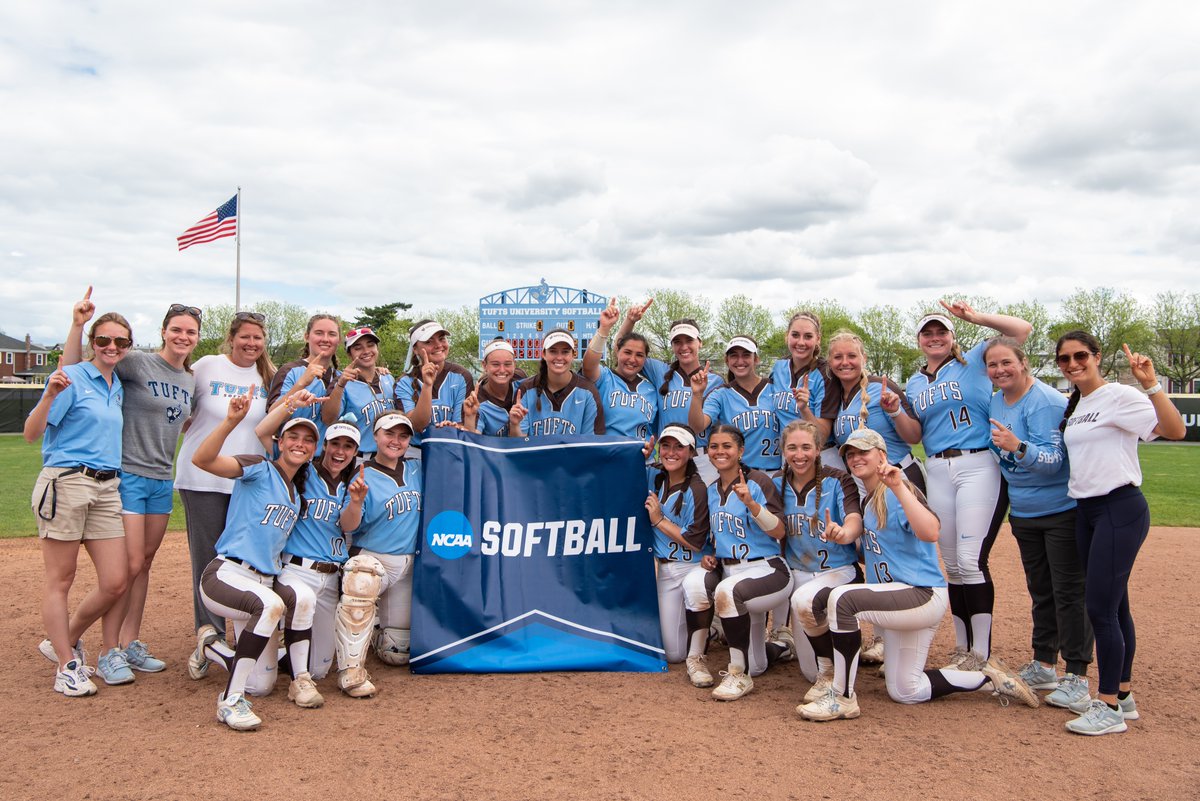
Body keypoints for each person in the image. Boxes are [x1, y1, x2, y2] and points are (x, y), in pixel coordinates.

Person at [792, 428, 1038, 721]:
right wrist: (840, 535)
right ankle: (987, 678)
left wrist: (898, 487)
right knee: (906, 690)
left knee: (842, 601)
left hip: (920, 595)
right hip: (899, 601)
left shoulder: (898, 490)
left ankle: (842, 696)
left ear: (882, 455)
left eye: (863, 452)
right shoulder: (869, 500)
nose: (856, 458)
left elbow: (931, 531)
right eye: (851, 454)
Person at [1055, 333, 1186, 735]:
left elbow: (1175, 430)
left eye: (1081, 356)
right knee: (1116, 606)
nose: (1073, 363)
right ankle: (1124, 697)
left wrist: (1150, 384)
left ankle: (1108, 706)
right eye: (1065, 358)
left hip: (1119, 507)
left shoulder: (1120, 396)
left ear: (1096, 357)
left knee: (1099, 609)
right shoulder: (1077, 404)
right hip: (1087, 511)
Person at [905, 300, 1032, 669]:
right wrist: (897, 410)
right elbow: (915, 432)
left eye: (940, 331)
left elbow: (1021, 329)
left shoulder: (974, 361)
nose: (934, 338)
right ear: (919, 340)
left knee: (971, 560)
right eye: (927, 333)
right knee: (953, 565)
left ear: (952, 336)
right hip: (938, 468)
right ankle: (963, 649)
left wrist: (976, 318)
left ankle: (981, 653)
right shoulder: (914, 382)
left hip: (978, 462)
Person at [190, 388, 318, 731]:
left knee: (261, 685)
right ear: (278, 441)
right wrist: (231, 422)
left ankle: (213, 647)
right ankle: (229, 701)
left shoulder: (297, 496)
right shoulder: (259, 467)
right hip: (226, 575)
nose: (300, 444)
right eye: (293, 436)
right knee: (271, 607)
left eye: (308, 440)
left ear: (314, 450)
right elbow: (202, 460)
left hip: (260, 582)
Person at [26, 301, 133, 695]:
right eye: (104, 339)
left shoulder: (116, 383)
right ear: (92, 341)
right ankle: (67, 665)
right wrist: (49, 396)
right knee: (61, 579)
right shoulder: (71, 377)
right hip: (67, 480)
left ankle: (63, 640)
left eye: (120, 341)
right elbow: (31, 433)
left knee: (116, 581)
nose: (112, 346)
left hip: (107, 487)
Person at [984, 336, 1093, 710]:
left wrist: (1018, 447)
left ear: (1023, 361)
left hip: (1060, 510)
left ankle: (1077, 673)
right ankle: (1045, 663)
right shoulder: (997, 399)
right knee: (1041, 591)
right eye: (992, 365)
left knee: (1069, 593)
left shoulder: (1045, 401)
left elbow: (1055, 462)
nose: (999, 370)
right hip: (1025, 512)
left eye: (1006, 363)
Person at [176, 311, 274, 679]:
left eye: (257, 338)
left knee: (244, 561)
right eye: (245, 337)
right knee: (207, 561)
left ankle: (250, 638)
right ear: (231, 338)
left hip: (247, 484)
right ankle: (210, 640)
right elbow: (184, 414)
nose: (251, 344)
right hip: (202, 479)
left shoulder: (267, 376)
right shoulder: (206, 366)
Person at [681, 425, 793, 701]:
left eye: (727, 446)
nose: (720, 451)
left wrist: (752, 505)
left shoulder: (757, 482)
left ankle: (737, 675)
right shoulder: (710, 489)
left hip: (767, 568)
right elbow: (710, 534)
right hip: (729, 569)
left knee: (727, 592)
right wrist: (708, 552)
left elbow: (779, 532)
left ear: (740, 451)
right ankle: (778, 648)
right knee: (758, 664)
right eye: (715, 446)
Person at [775, 420, 863, 701]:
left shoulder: (838, 479)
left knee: (804, 601)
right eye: (792, 448)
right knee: (807, 672)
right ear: (783, 450)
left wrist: (844, 532)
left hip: (837, 570)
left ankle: (831, 672)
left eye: (805, 447)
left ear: (818, 449)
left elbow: (854, 519)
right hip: (799, 572)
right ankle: (824, 666)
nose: (799, 455)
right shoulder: (777, 483)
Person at [345, 411, 424, 668]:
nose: (396, 441)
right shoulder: (361, 473)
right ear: (375, 435)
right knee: (360, 590)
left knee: (397, 653)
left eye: (403, 436)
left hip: (409, 565)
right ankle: (351, 663)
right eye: (389, 433)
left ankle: (377, 629)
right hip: (373, 559)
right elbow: (348, 525)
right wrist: (356, 503)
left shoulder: (417, 467)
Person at [616, 301, 725, 481]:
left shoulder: (715, 381)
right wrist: (630, 321)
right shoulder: (661, 371)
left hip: (701, 458)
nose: (683, 347)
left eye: (689, 340)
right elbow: (622, 350)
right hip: (669, 457)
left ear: (700, 343)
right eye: (677, 342)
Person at [643, 424, 711, 681]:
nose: (671, 452)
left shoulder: (697, 488)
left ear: (691, 452)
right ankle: (699, 627)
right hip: (666, 569)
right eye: (666, 446)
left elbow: (695, 541)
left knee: (696, 591)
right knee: (672, 654)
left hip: (693, 566)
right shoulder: (655, 475)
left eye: (679, 447)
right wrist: (644, 456)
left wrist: (659, 520)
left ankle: (701, 644)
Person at [822, 330, 924, 493]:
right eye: (838, 357)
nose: (845, 362)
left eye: (852, 356)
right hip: (863, 485)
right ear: (829, 362)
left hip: (898, 475)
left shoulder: (879, 387)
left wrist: (895, 412)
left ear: (864, 358)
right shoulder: (834, 397)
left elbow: (914, 437)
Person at [688, 335, 780, 472]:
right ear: (727, 360)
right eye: (734, 356)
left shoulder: (776, 388)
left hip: (775, 473)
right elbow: (698, 426)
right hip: (739, 475)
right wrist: (697, 395)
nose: (740, 361)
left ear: (756, 359)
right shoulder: (720, 394)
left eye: (746, 355)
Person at [395, 319, 475, 454]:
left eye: (442, 339)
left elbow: (462, 424)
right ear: (415, 349)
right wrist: (427, 385)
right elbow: (417, 426)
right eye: (429, 341)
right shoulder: (404, 382)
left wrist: (453, 427)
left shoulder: (461, 376)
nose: (438, 345)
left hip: (451, 449)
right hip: (416, 454)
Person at [582, 299, 657, 440]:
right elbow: (588, 365)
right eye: (627, 352)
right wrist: (604, 328)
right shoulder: (605, 377)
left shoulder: (651, 390)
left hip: (643, 460)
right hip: (609, 457)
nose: (632, 359)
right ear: (617, 352)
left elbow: (655, 432)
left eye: (639, 355)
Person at [510, 329, 605, 437]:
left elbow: (591, 444)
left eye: (565, 351)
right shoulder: (526, 389)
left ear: (573, 354)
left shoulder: (588, 392)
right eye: (553, 351)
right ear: (544, 354)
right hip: (535, 454)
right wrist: (515, 425)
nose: (559, 357)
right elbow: (519, 443)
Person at [323, 326, 395, 460]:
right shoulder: (342, 382)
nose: (366, 351)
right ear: (349, 354)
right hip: (361, 458)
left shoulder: (388, 378)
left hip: (392, 456)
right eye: (358, 347)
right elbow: (328, 419)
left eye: (370, 345)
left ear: (377, 348)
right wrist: (341, 385)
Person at [269, 314, 340, 445]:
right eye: (319, 333)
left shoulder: (340, 377)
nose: (325, 339)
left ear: (338, 340)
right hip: (293, 456)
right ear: (307, 336)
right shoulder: (289, 371)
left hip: (329, 461)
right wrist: (301, 383)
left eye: (332, 334)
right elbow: (271, 417)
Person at [769, 311, 831, 447]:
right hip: (788, 453)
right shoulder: (779, 367)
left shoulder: (826, 373)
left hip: (820, 455)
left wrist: (804, 409)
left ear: (818, 339)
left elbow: (822, 438)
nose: (801, 342)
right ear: (787, 336)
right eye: (795, 335)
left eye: (808, 336)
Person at [461, 338, 525, 436]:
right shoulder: (477, 401)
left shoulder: (521, 380)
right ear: (484, 365)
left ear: (514, 365)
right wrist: (470, 417)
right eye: (495, 364)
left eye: (507, 364)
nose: (502, 370)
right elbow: (473, 440)